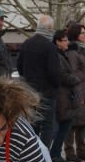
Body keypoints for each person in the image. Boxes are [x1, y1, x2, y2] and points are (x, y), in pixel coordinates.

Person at [17, 15, 60, 148]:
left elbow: (20, 67)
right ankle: (44, 154)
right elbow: (54, 72)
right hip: (47, 93)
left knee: (32, 124)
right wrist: (56, 86)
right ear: (49, 29)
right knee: (47, 126)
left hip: (29, 91)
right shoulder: (50, 47)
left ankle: (31, 152)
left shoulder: (27, 43)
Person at [65, 23, 85, 162]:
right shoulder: (72, 52)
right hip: (79, 89)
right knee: (73, 123)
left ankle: (82, 150)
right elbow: (73, 72)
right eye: (82, 32)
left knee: (84, 121)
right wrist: (78, 92)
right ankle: (70, 151)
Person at [50, 30, 78, 162]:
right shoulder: (57, 56)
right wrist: (75, 79)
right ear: (57, 42)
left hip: (66, 95)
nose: (67, 43)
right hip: (62, 95)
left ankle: (56, 153)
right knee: (62, 126)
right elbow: (62, 75)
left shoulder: (62, 54)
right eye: (64, 40)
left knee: (65, 125)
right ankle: (55, 153)